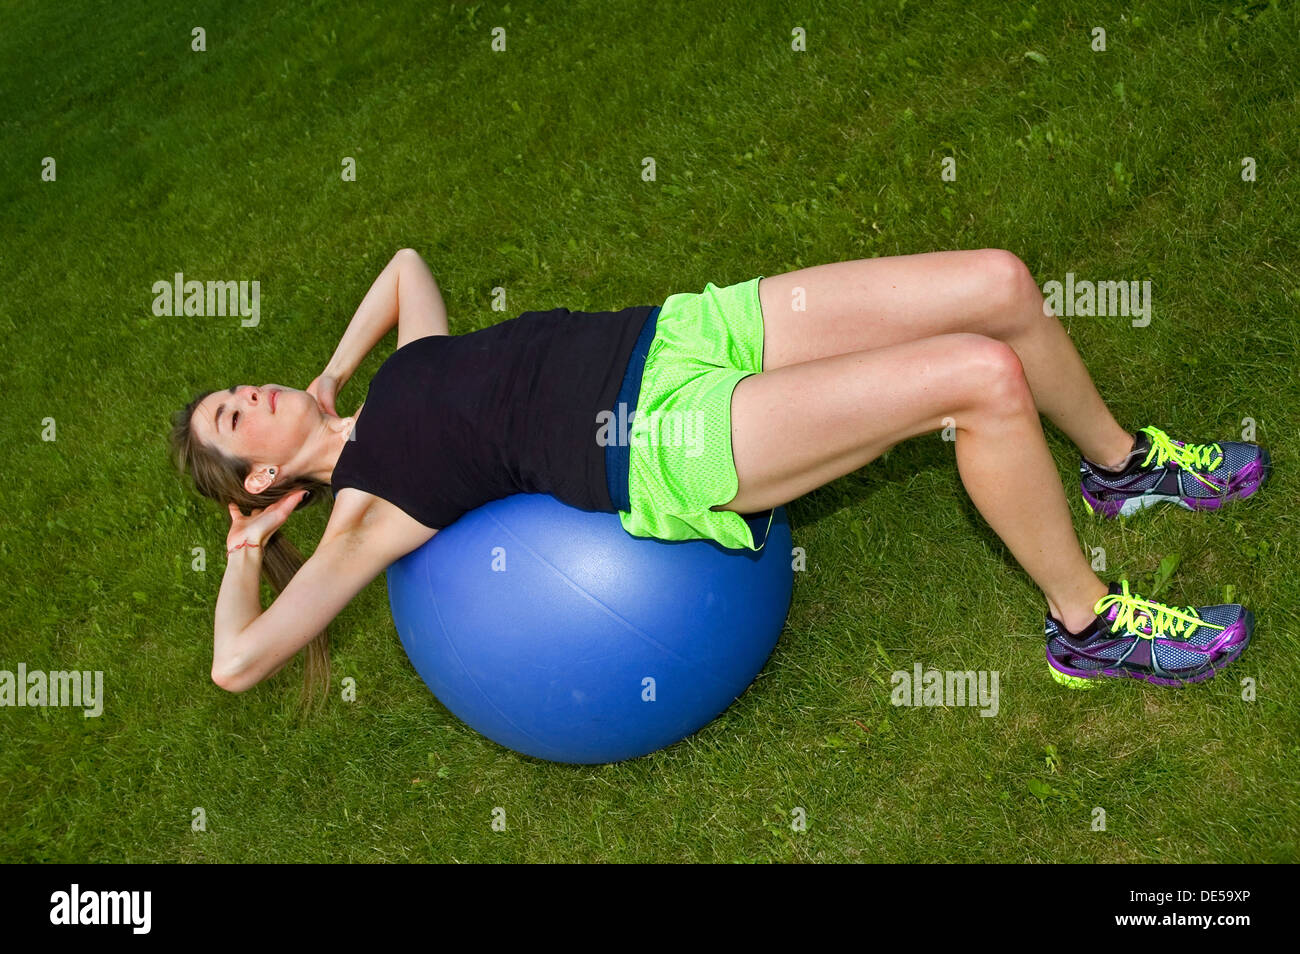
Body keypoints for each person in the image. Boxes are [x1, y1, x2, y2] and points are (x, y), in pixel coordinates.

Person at [169, 248, 1270, 698]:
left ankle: (1121, 467)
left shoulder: (402, 376)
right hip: (663, 436)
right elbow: (236, 663)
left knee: (999, 284)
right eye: (233, 418)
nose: (249, 394)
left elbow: (406, 268)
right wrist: (247, 553)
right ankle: (1087, 627)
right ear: (256, 481)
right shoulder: (368, 511)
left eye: (236, 388)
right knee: (979, 379)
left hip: (682, 331)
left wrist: (329, 374)